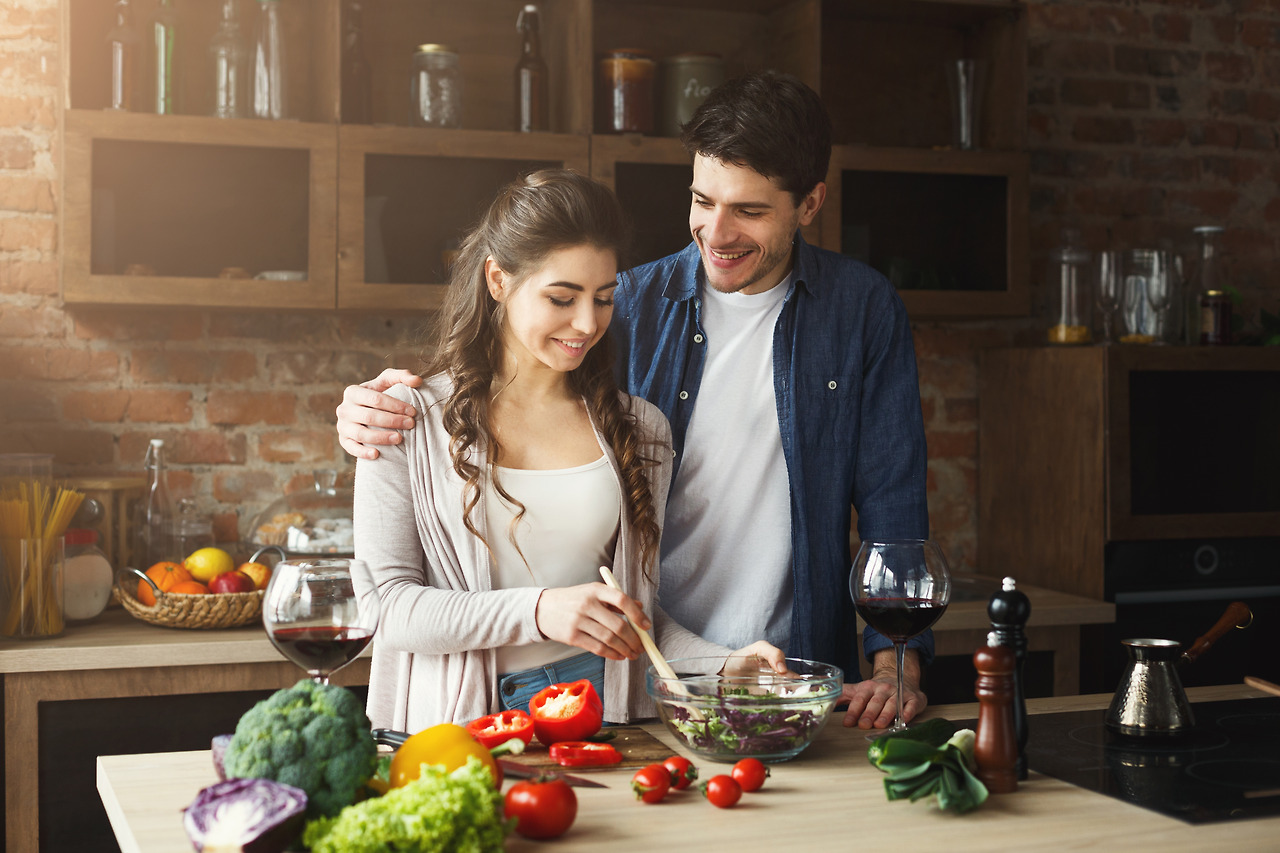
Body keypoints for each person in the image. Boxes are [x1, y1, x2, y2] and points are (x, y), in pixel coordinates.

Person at [339, 72, 933, 731]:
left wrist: (894, 660)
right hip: (626, 690)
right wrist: (371, 414)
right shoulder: (631, 303)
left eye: (751, 211)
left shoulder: (860, 312)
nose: (717, 230)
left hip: (747, 668)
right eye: (702, 200)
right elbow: (516, 358)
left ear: (810, 203)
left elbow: (894, 502)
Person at [353, 169, 781, 733]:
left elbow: (634, 619)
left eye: (604, 299)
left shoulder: (640, 430)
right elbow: (385, 609)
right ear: (498, 280)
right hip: (452, 728)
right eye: (562, 297)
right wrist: (541, 611)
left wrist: (726, 665)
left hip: (601, 717)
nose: (587, 324)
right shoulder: (403, 418)